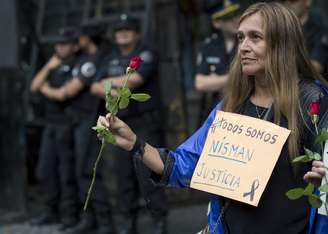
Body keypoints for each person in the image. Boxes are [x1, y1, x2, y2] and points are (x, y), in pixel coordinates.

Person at [97, 2, 328, 234]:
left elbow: (324, 182)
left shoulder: (313, 102)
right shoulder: (230, 107)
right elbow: (186, 165)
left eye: (255, 37)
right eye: (240, 38)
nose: (243, 47)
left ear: (283, 43)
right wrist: (135, 143)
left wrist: (324, 180)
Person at [91, 14, 168, 234]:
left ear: (136, 33)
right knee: (122, 175)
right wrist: (118, 88)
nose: (123, 33)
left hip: (146, 122)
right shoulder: (110, 56)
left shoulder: (146, 52)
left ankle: (159, 222)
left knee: (150, 172)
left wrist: (108, 86)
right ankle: (127, 224)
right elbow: (93, 86)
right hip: (120, 122)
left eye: (128, 29)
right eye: (119, 30)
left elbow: (134, 81)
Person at [40, 22, 116, 234]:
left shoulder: (98, 59)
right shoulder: (84, 58)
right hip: (78, 121)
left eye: (80, 36)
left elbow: (70, 91)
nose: (77, 40)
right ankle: (89, 218)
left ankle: (103, 222)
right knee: (78, 170)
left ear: (87, 38)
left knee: (88, 170)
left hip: (91, 120)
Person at [29, 27, 79, 230]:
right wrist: (49, 68)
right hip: (50, 124)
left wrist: (46, 89)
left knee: (66, 172)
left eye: (65, 43)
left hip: (67, 124)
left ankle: (69, 216)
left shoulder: (77, 64)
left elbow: (62, 95)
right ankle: (51, 211)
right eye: (58, 43)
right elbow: (34, 86)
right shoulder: (53, 63)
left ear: (74, 46)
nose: (60, 47)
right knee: (45, 170)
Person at [195, 0, 240, 122]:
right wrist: (235, 78)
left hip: (240, 110)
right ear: (217, 23)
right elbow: (200, 84)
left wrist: (215, 81)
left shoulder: (246, 43)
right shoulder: (209, 46)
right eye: (228, 18)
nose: (235, 20)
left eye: (236, 14)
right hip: (214, 111)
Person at [284, 0, 328, 76]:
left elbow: (317, 66)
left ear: (308, 2)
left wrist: (281, 64)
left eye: (293, 1)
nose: (287, 3)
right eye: (284, 1)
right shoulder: (281, 29)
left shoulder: (319, 31)